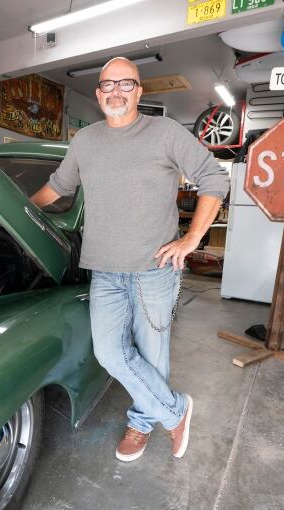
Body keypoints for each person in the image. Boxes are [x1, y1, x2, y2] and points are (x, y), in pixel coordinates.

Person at [30, 57, 229, 462]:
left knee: (152, 357)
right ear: (98, 93)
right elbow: (57, 187)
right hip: (104, 270)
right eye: (107, 85)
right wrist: (17, 209)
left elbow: (215, 178)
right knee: (109, 353)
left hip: (153, 270)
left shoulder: (165, 132)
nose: (115, 91)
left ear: (139, 91)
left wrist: (192, 238)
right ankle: (175, 410)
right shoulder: (85, 142)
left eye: (126, 84)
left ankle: (141, 425)